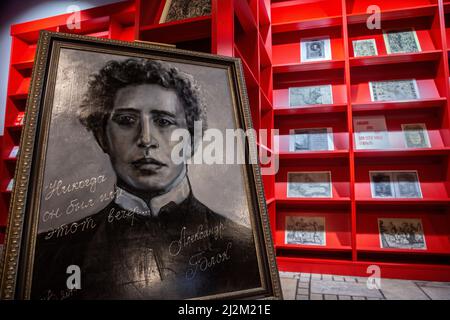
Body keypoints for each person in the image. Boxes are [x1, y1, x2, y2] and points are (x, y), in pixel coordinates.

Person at [31, 59, 260, 300]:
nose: (146, 139)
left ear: (191, 140)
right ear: (102, 137)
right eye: (127, 121)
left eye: (164, 122)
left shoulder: (247, 248)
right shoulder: (47, 253)